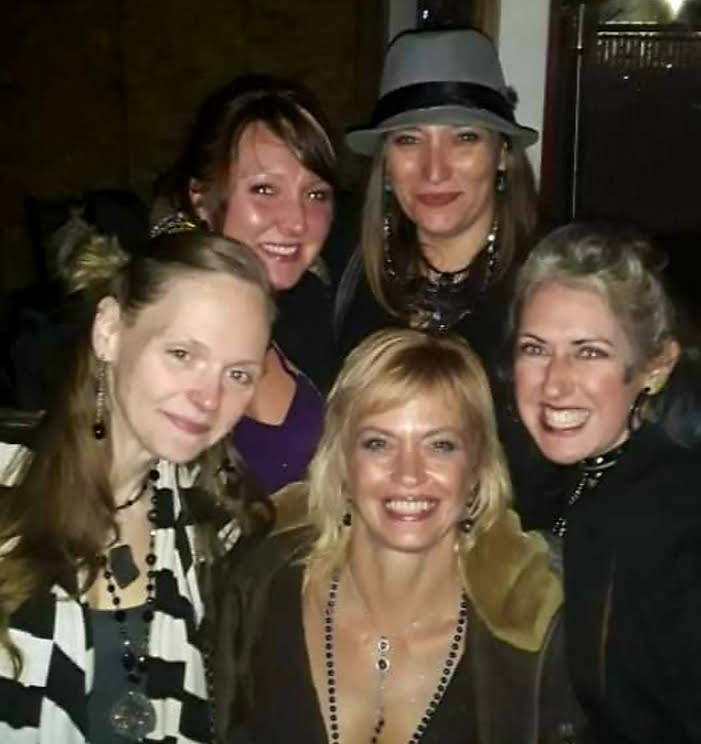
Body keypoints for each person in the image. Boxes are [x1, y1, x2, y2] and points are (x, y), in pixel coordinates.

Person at [214, 329, 582, 744]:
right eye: (378, 443)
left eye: (440, 445)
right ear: (341, 463)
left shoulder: (535, 641)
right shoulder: (260, 590)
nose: (409, 474)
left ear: (477, 470)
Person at [0, 229, 274, 743]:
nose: (209, 398)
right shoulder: (9, 487)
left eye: (238, 374)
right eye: (182, 354)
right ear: (109, 330)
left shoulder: (212, 527)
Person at [511, 224, 701, 743]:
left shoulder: (681, 523)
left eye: (589, 352)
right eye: (535, 348)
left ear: (654, 368)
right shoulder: (535, 485)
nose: (554, 383)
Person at [154, 74, 338, 495]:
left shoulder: (317, 318)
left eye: (315, 194)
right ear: (201, 199)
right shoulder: (150, 332)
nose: (296, 222)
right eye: (264, 189)